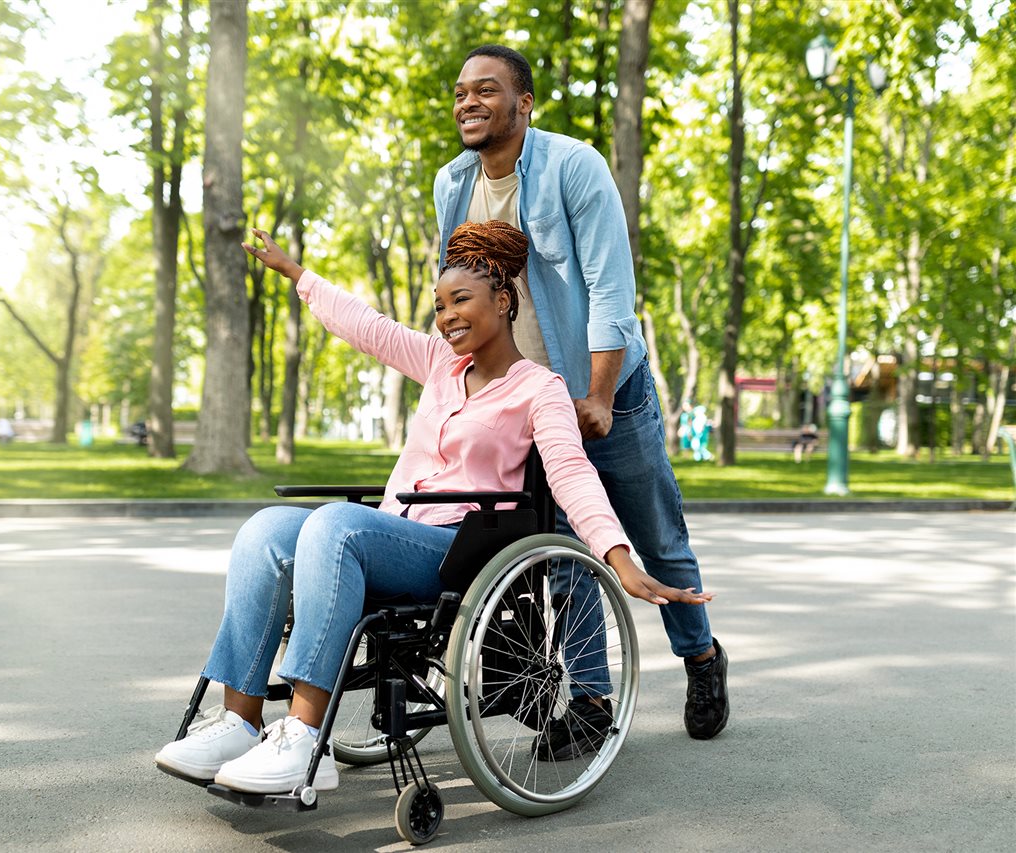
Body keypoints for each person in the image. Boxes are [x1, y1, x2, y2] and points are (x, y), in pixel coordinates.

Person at [153, 221, 713, 795]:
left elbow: (571, 475)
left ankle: (303, 736)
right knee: (266, 529)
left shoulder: (538, 389)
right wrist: (297, 274)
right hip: (396, 530)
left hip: (458, 551)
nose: (445, 317)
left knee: (336, 526)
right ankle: (240, 722)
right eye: (439, 305)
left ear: (503, 300)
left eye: (460, 300)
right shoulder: (441, 366)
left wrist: (619, 559)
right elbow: (367, 327)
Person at [434, 44, 730, 743]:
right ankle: (592, 704)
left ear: (524, 103)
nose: (468, 103)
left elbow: (610, 293)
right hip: (529, 401)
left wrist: (597, 394)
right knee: (562, 554)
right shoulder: (452, 183)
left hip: (610, 392)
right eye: (459, 94)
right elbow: (459, 301)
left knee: (657, 541)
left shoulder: (574, 167)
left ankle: (701, 654)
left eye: (485, 91)